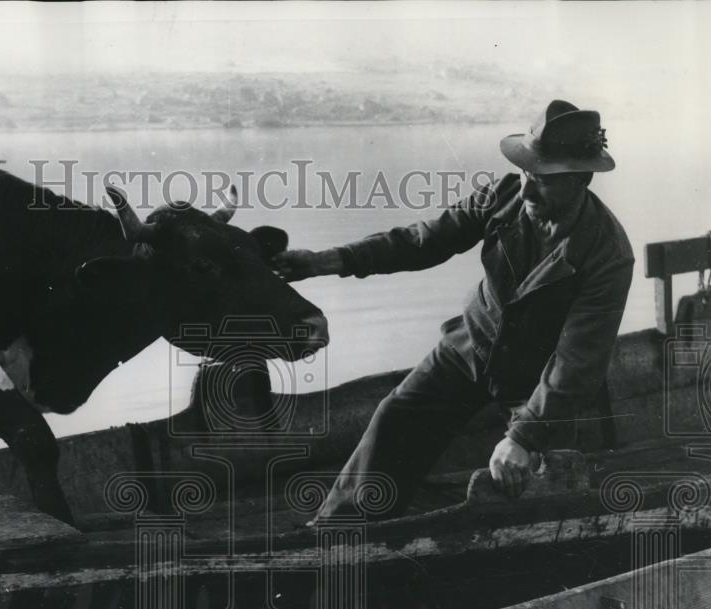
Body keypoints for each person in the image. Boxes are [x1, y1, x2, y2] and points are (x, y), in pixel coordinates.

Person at [271, 100, 634, 521]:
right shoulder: (504, 196)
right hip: (469, 348)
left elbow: (577, 362)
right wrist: (326, 261)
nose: (528, 189)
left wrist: (524, 436)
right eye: (526, 174)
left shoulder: (608, 254)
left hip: (535, 384)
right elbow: (423, 241)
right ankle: (335, 537)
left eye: (545, 180)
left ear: (581, 178)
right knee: (395, 418)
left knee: (531, 484)